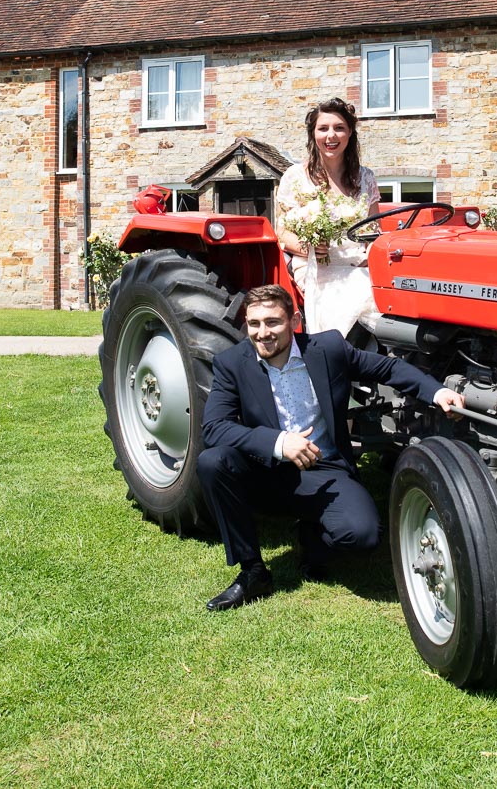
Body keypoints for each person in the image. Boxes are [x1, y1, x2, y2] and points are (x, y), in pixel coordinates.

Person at [196, 284, 465, 611]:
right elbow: (213, 427)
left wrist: (436, 393)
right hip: (264, 471)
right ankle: (252, 571)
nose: (262, 333)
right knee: (213, 461)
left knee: (363, 534)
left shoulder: (328, 348)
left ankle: (313, 542)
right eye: (254, 324)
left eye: (272, 323)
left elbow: (388, 368)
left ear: (294, 320)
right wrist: (279, 442)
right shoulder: (232, 363)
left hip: (324, 467)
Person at [275, 98, 379, 336]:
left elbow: (374, 231)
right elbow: (282, 232)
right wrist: (310, 247)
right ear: (313, 134)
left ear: (350, 132)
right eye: (323, 128)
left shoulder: (366, 178)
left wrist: (372, 256)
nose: (331, 136)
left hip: (359, 263)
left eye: (339, 128)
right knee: (344, 303)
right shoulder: (294, 177)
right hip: (314, 264)